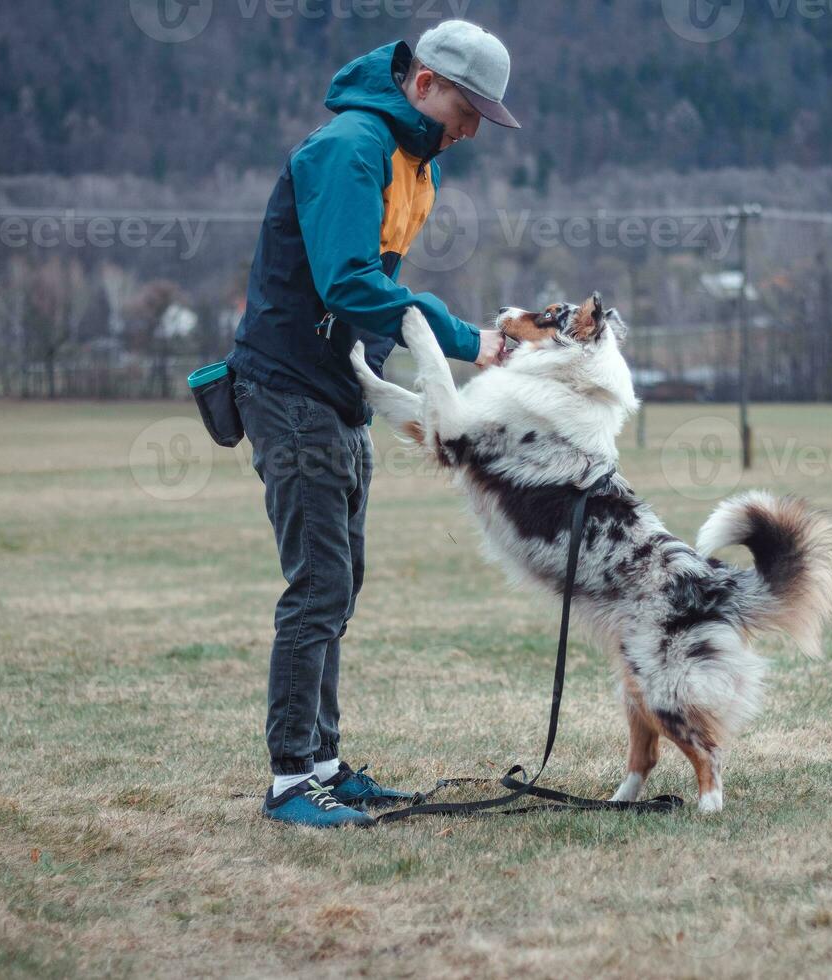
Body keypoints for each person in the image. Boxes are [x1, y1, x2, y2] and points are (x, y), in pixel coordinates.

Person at [226, 21, 521, 828]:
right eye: (466, 110)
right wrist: (467, 341)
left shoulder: (409, 163)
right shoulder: (352, 149)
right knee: (317, 584)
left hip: (335, 391)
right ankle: (292, 784)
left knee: (341, 579)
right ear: (422, 82)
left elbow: (370, 291)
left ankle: (323, 764)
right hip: (286, 388)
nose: (469, 132)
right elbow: (350, 284)